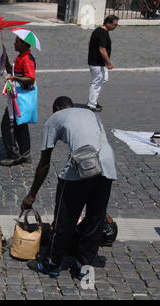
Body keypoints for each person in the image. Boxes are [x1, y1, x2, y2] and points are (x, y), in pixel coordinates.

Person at [21, 96, 117, 279]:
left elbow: (44, 163)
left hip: (82, 167)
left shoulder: (54, 119)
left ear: (56, 108)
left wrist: (31, 194)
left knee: (65, 219)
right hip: (107, 165)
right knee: (94, 219)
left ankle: (52, 264)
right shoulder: (91, 113)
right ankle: (84, 268)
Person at [0, 36, 36, 166]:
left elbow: (30, 78)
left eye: (17, 41)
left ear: (25, 44)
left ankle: (13, 155)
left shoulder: (26, 59)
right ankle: (25, 155)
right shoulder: (21, 56)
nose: (14, 43)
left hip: (19, 99)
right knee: (21, 125)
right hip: (17, 97)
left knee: (8, 125)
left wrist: (14, 77)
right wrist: (6, 59)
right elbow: (12, 70)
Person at [87, 15, 119, 112]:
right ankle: (91, 104)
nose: (116, 27)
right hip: (96, 63)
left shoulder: (100, 31)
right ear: (108, 23)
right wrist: (109, 63)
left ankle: (93, 100)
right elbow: (102, 50)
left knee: (104, 79)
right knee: (96, 83)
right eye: (115, 25)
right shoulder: (102, 34)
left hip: (98, 62)